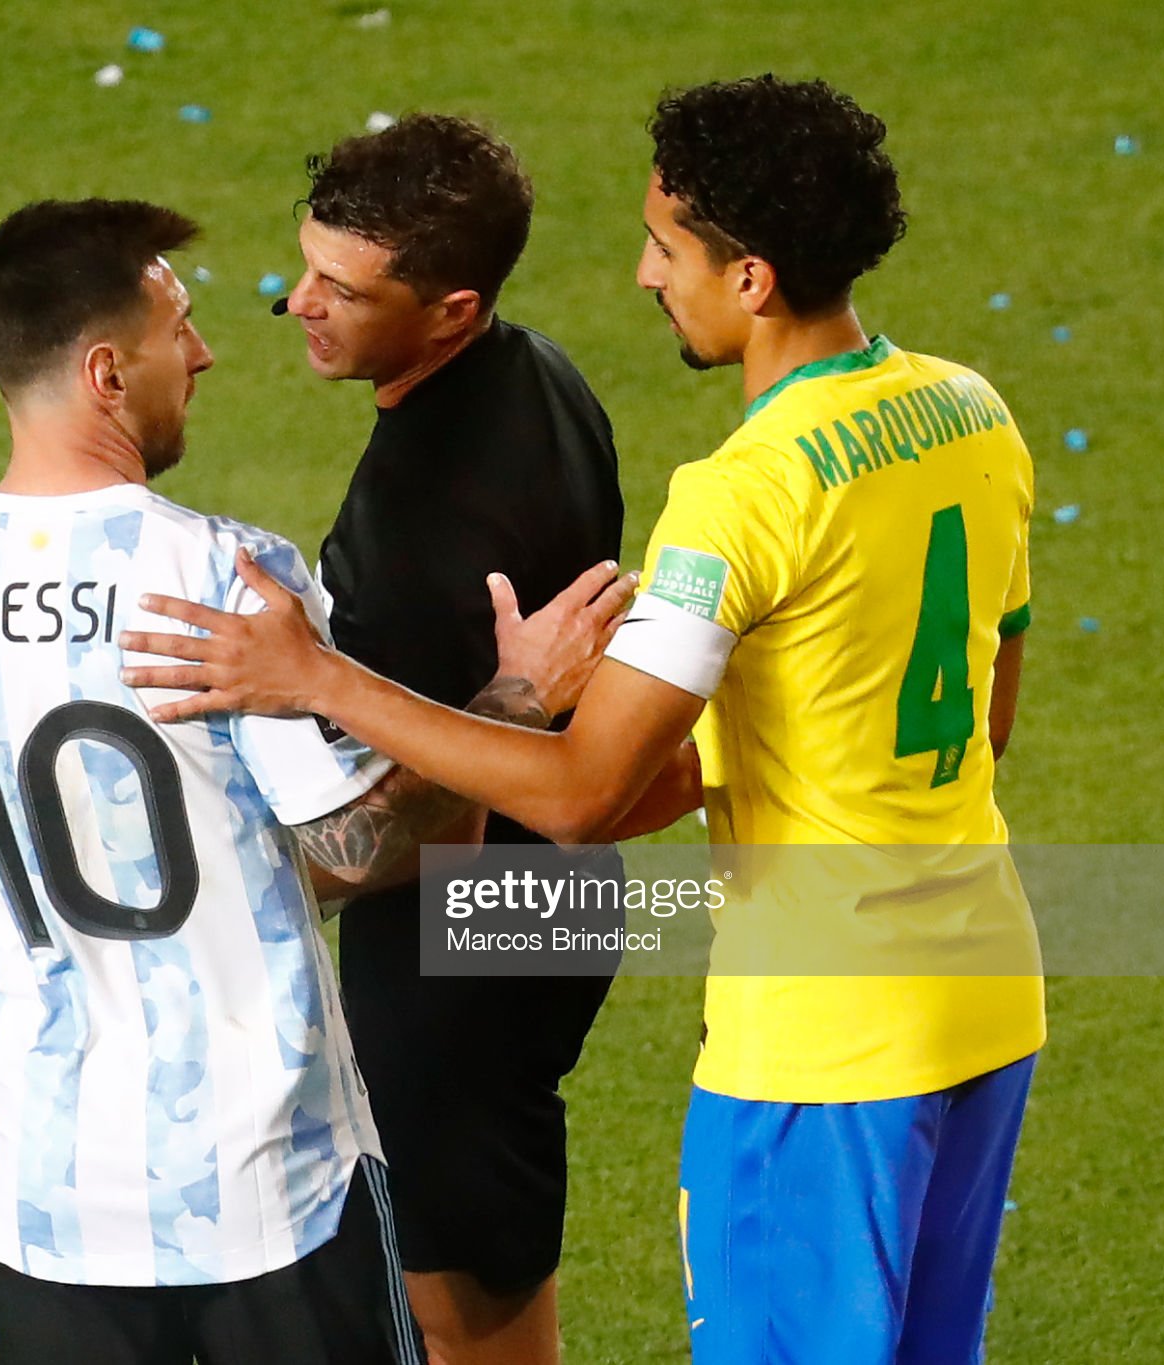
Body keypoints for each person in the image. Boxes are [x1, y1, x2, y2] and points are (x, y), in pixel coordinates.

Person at [122, 77, 1044, 1365]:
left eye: (666, 248)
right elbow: (978, 714)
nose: (639, 274)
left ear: (754, 279)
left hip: (825, 1042)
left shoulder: (744, 496)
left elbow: (577, 796)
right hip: (984, 995)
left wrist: (321, 681)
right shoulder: (968, 409)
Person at [0, 198, 626, 1365]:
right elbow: (360, 847)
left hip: (48, 1202)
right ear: (106, 371)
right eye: (178, 326)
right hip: (271, 1189)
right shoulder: (224, 578)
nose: (201, 353)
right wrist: (514, 699)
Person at [268, 112, 627, 1365]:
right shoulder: (543, 375)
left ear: (450, 309)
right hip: (558, 894)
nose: (295, 302)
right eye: (304, 264)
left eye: (340, 289)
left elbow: (419, 837)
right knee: (495, 1246)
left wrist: (255, 881)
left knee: (452, 1292)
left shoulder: (422, 518)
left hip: (459, 936)